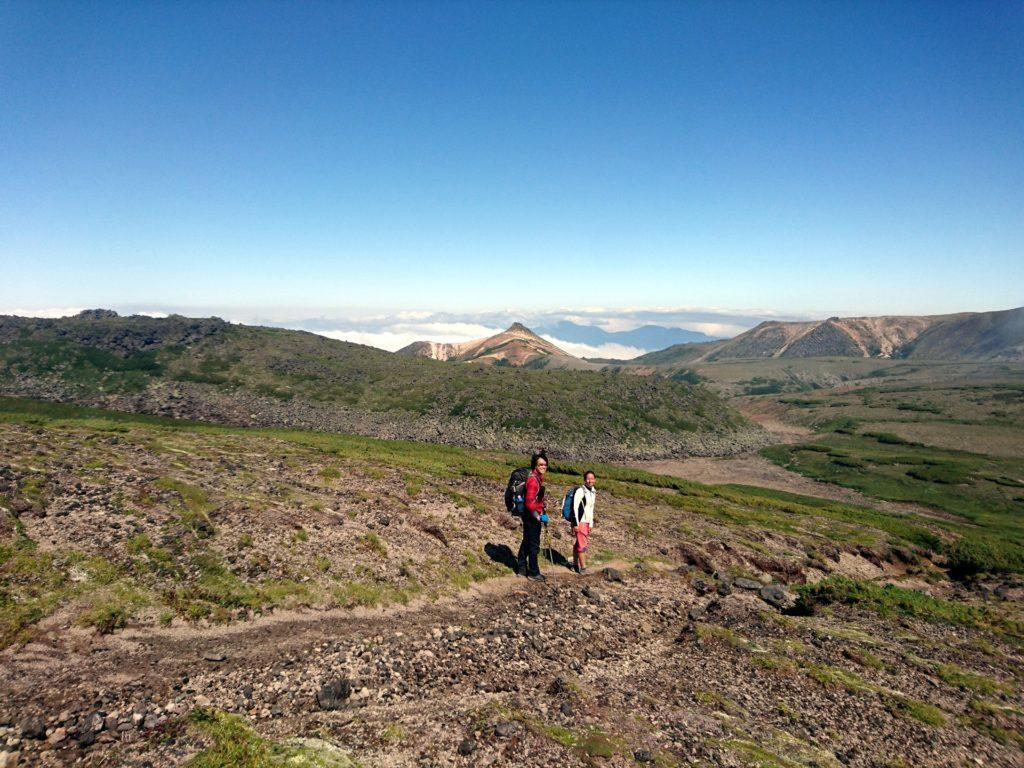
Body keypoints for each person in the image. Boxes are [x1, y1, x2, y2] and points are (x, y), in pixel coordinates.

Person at [516, 451, 549, 581]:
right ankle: (533, 572)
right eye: (541, 464)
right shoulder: (533, 481)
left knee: (527, 542)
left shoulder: (536, 478)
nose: (543, 467)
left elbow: (533, 500)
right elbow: (529, 503)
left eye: (545, 465)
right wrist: (539, 517)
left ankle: (522, 569)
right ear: (535, 466)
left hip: (529, 515)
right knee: (534, 544)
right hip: (532, 517)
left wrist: (541, 505)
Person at [570, 471, 597, 574]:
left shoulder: (593, 491)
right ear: (584, 480)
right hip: (580, 522)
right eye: (588, 478)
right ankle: (583, 568)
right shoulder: (581, 491)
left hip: (586, 522)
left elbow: (591, 509)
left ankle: (575, 565)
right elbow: (575, 508)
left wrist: (591, 524)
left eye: (592, 478)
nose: (590, 480)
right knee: (582, 545)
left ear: (595, 479)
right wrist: (575, 523)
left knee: (578, 543)